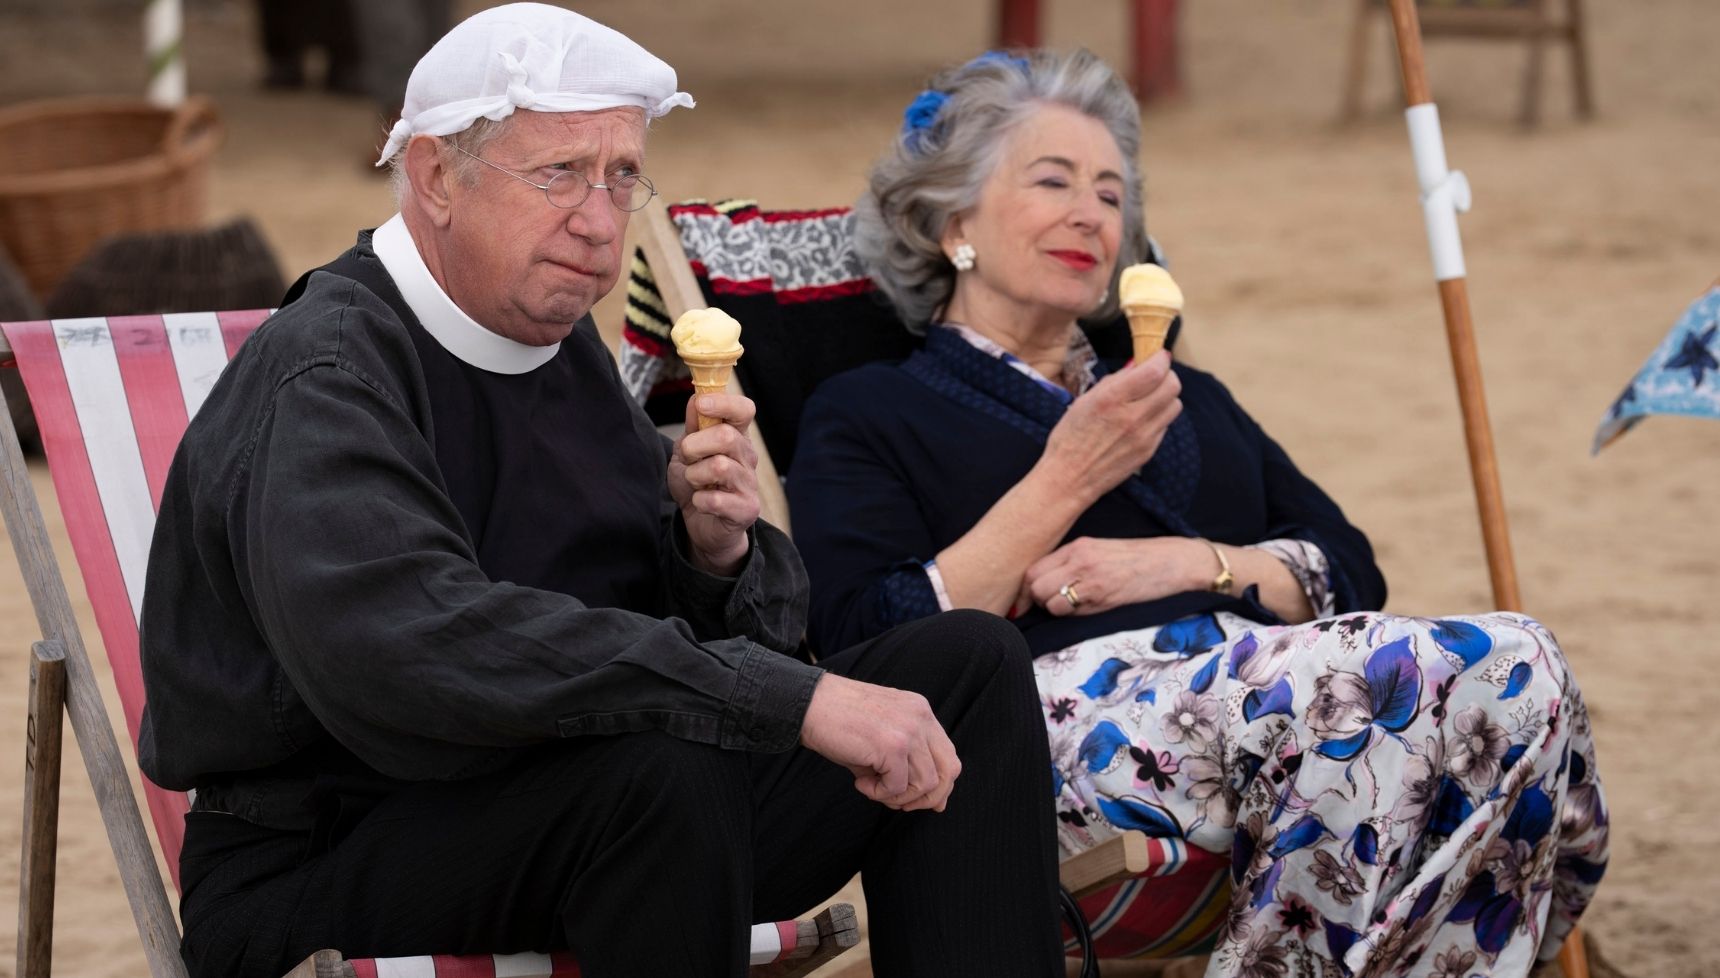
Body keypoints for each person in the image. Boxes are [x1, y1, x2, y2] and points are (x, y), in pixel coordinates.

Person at [137, 7, 1063, 977]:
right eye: (559, 174)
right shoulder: (330, 374)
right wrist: (783, 698)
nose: (597, 218)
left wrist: (711, 555)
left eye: (621, 175)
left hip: (577, 811)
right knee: (665, 760)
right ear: (436, 178)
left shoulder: (553, 339)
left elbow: (672, 627)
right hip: (328, 854)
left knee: (961, 670)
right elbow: (415, 651)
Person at [787, 50, 1610, 977]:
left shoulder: (1183, 395)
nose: (1090, 214)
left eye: (1110, 194)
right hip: (1046, 732)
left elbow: (1347, 565)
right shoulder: (872, 408)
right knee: (1404, 685)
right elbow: (860, 632)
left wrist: (1186, 563)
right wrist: (1066, 477)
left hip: (1288, 705)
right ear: (952, 222)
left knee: (1523, 664)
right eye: (1052, 180)